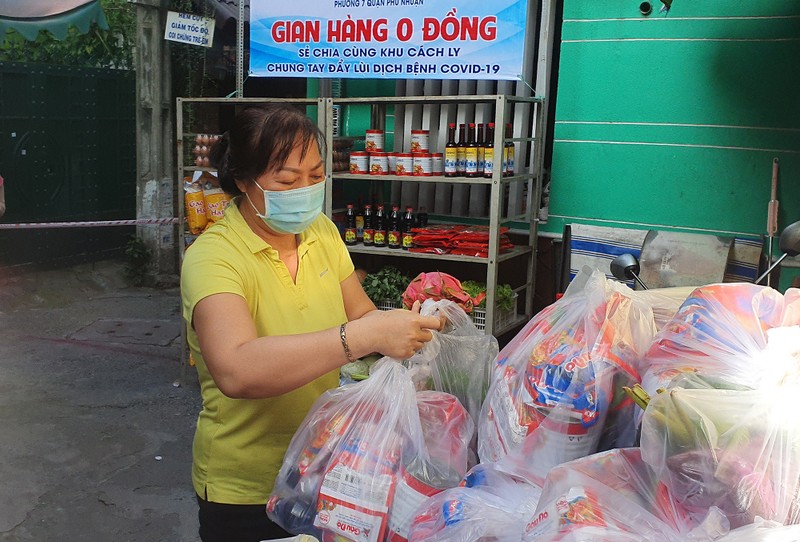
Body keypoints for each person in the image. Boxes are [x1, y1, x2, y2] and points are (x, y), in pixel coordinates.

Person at [180, 104, 442, 542]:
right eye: (287, 180)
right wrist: (359, 337)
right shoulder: (213, 257)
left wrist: (407, 325)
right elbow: (236, 369)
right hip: (247, 487)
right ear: (244, 181)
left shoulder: (320, 231)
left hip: (326, 464)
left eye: (316, 175)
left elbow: (359, 314)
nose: (305, 189)